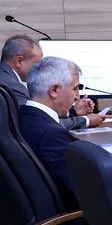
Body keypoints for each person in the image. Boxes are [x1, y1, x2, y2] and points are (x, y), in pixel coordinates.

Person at [0, 35, 103, 131]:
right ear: (19, 61)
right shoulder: (10, 85)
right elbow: (38, 122)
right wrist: (86, 120)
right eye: (37, 63)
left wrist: (72, 111)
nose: (41, 69)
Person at [19, 56, 84, 196]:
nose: (77, 97)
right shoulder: (51, 135)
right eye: (75, 88)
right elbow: (82, 189)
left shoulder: (21, 117)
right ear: (54, 90)